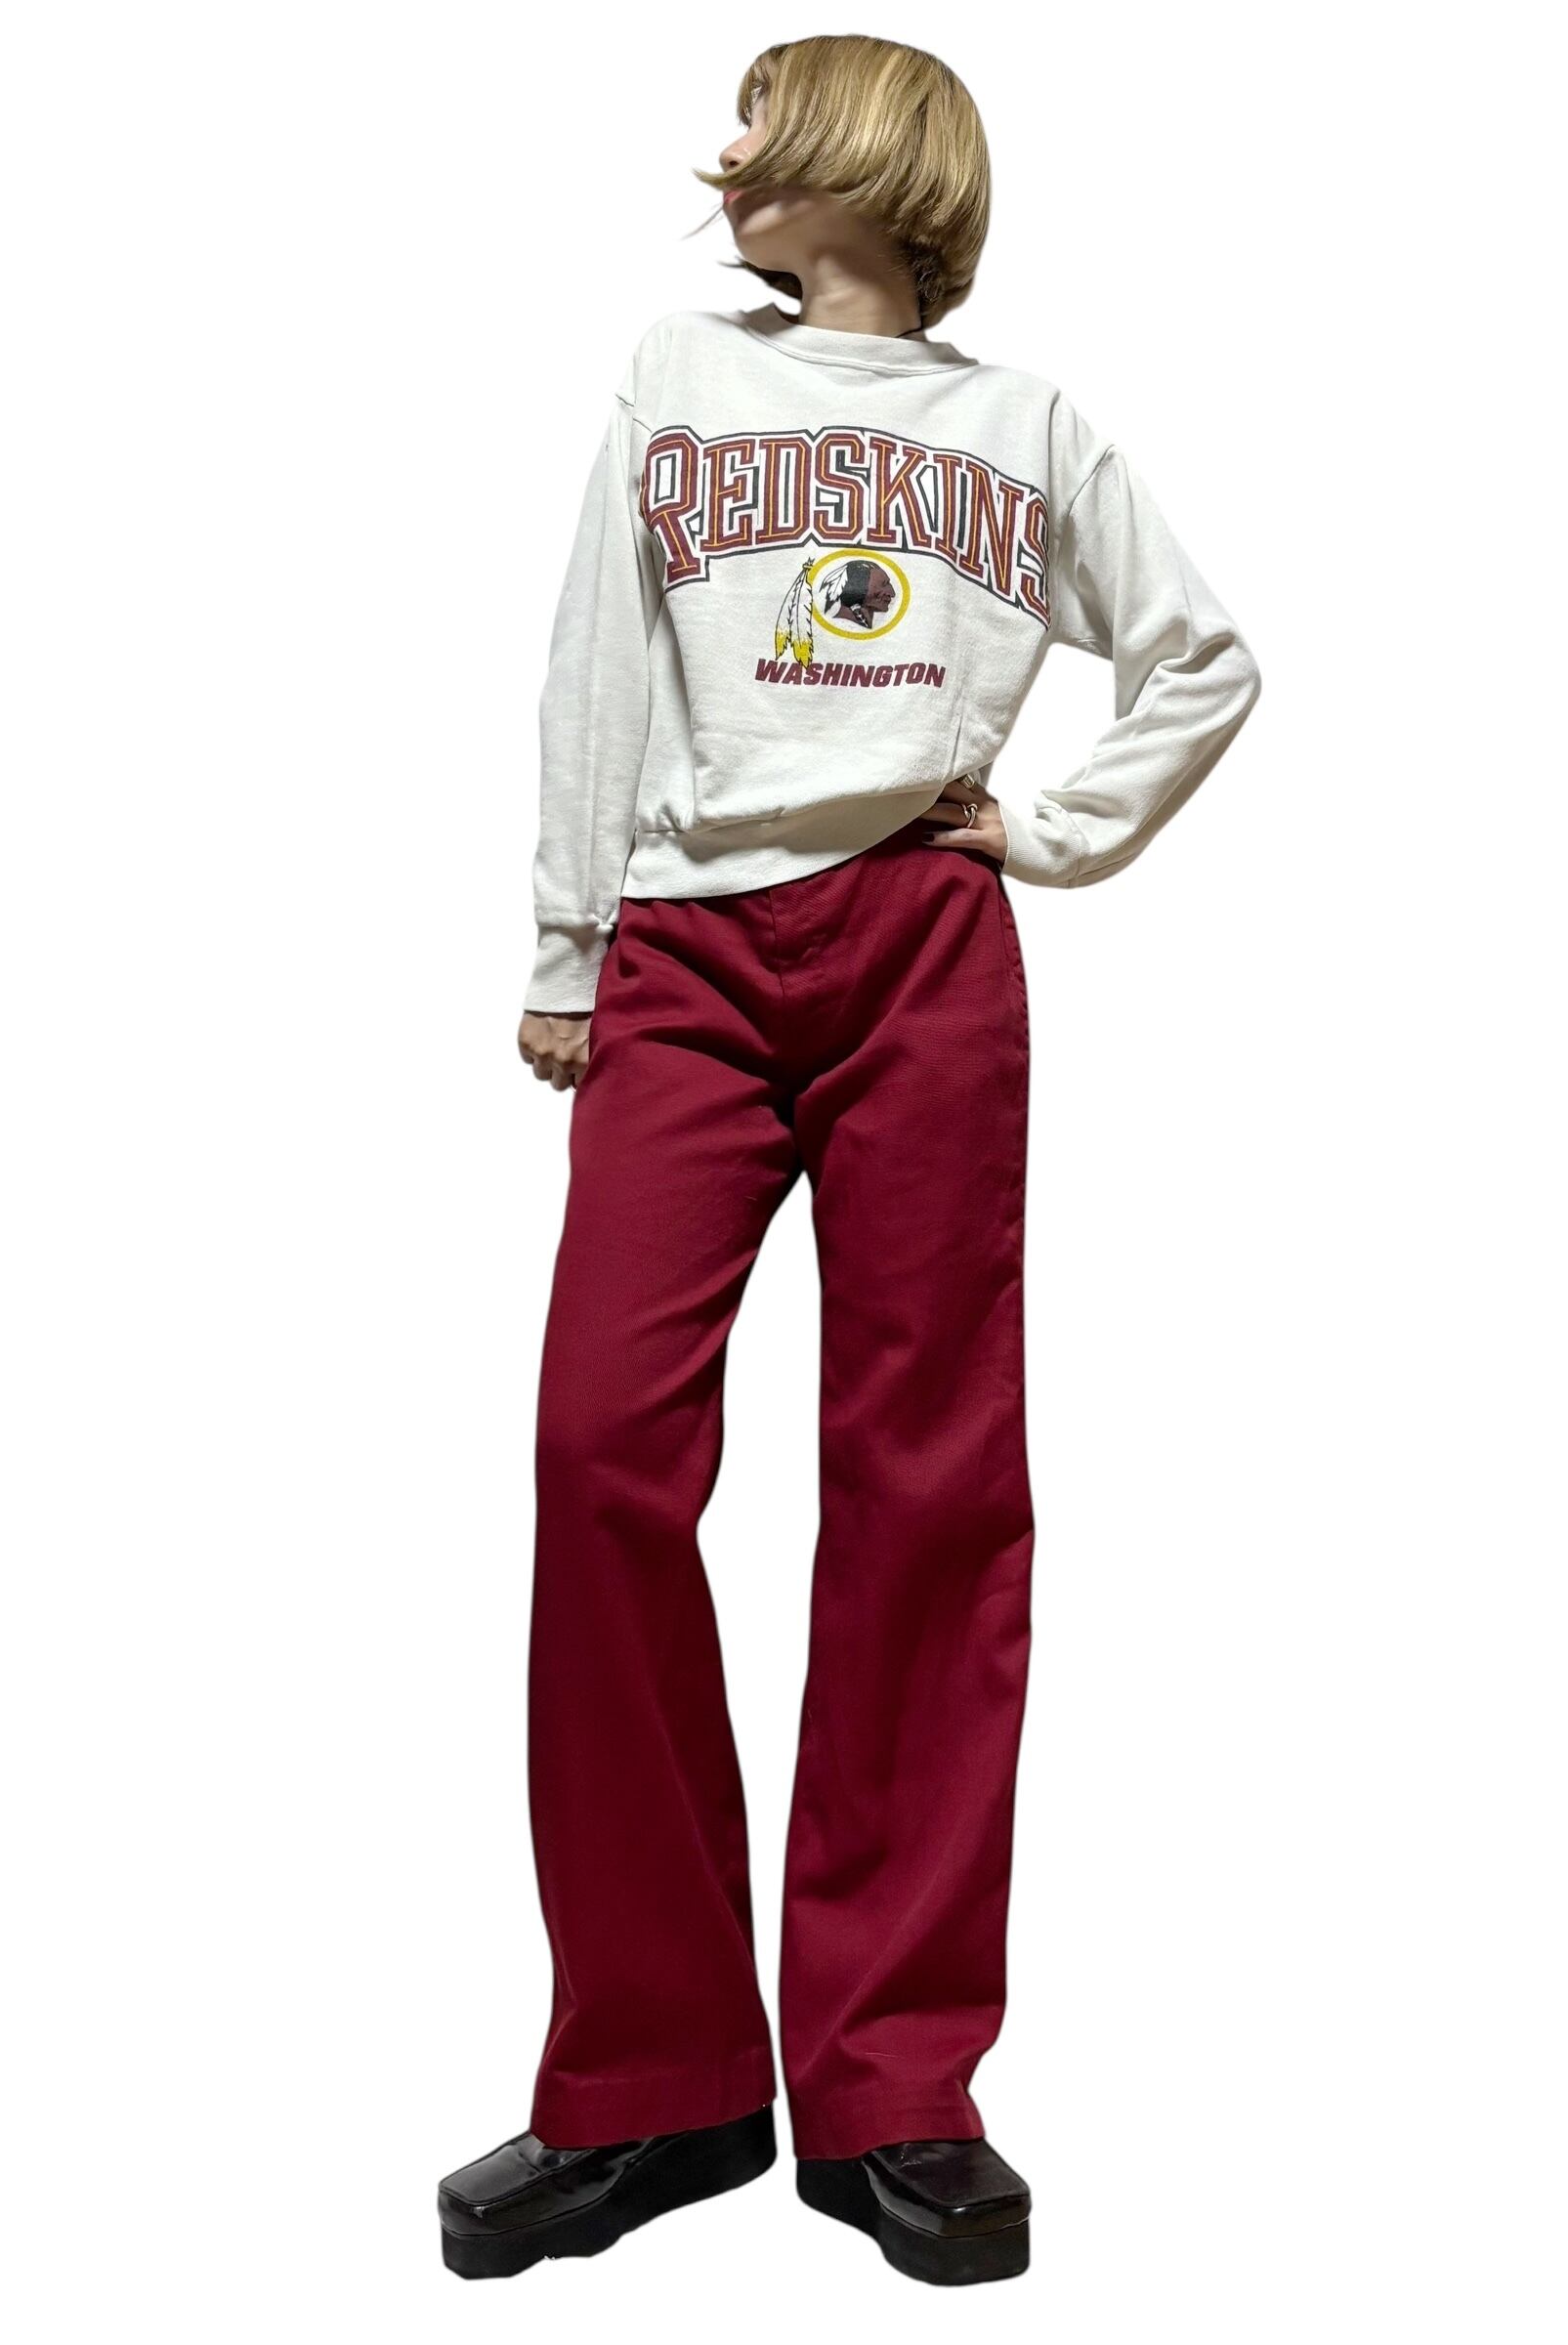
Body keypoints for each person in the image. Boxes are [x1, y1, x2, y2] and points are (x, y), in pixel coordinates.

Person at [438, 32, 1261, 2289]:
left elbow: (1201, 655)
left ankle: (896, 2088)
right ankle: (656, 2079)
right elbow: (598, 660)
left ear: (869, 170)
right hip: (688, 956)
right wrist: (569, 941)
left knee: (932, 1491)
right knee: (602, 1451)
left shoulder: (1029, 424)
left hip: (923, 945)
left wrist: (1049, 832)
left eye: (768, 134)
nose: (728, 168)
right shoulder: (679, 372)